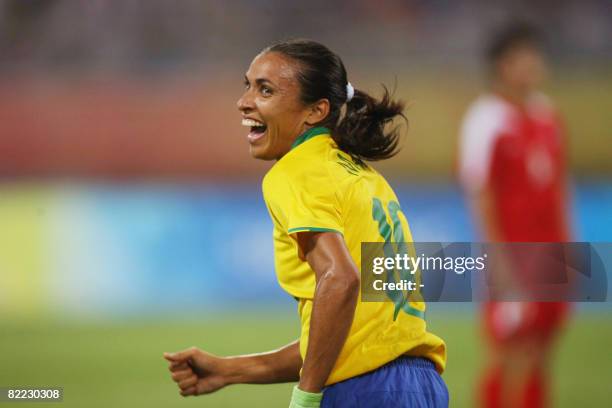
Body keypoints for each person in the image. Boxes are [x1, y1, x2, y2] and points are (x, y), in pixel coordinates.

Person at [163, 39, 448, 407]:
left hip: (364, 393)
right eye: (247, 85)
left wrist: (306, 397)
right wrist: (229, 370)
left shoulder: (296, 171)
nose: (244, 101)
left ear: (316, 111)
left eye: (265, 90)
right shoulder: (361, 174)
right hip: (420, 387)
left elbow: (341, 279)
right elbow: (341, 339)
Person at [458, 22, 571, 408]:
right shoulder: (485, 119)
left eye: (535, 56)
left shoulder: (547, 114)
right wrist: (498, 260)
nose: (534, 65)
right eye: (524, 57)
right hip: (513, 256)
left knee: (542, 348)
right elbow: (481, 194)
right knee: (511, 351)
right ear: (502, 65)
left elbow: (558, 187)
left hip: (551, 253)